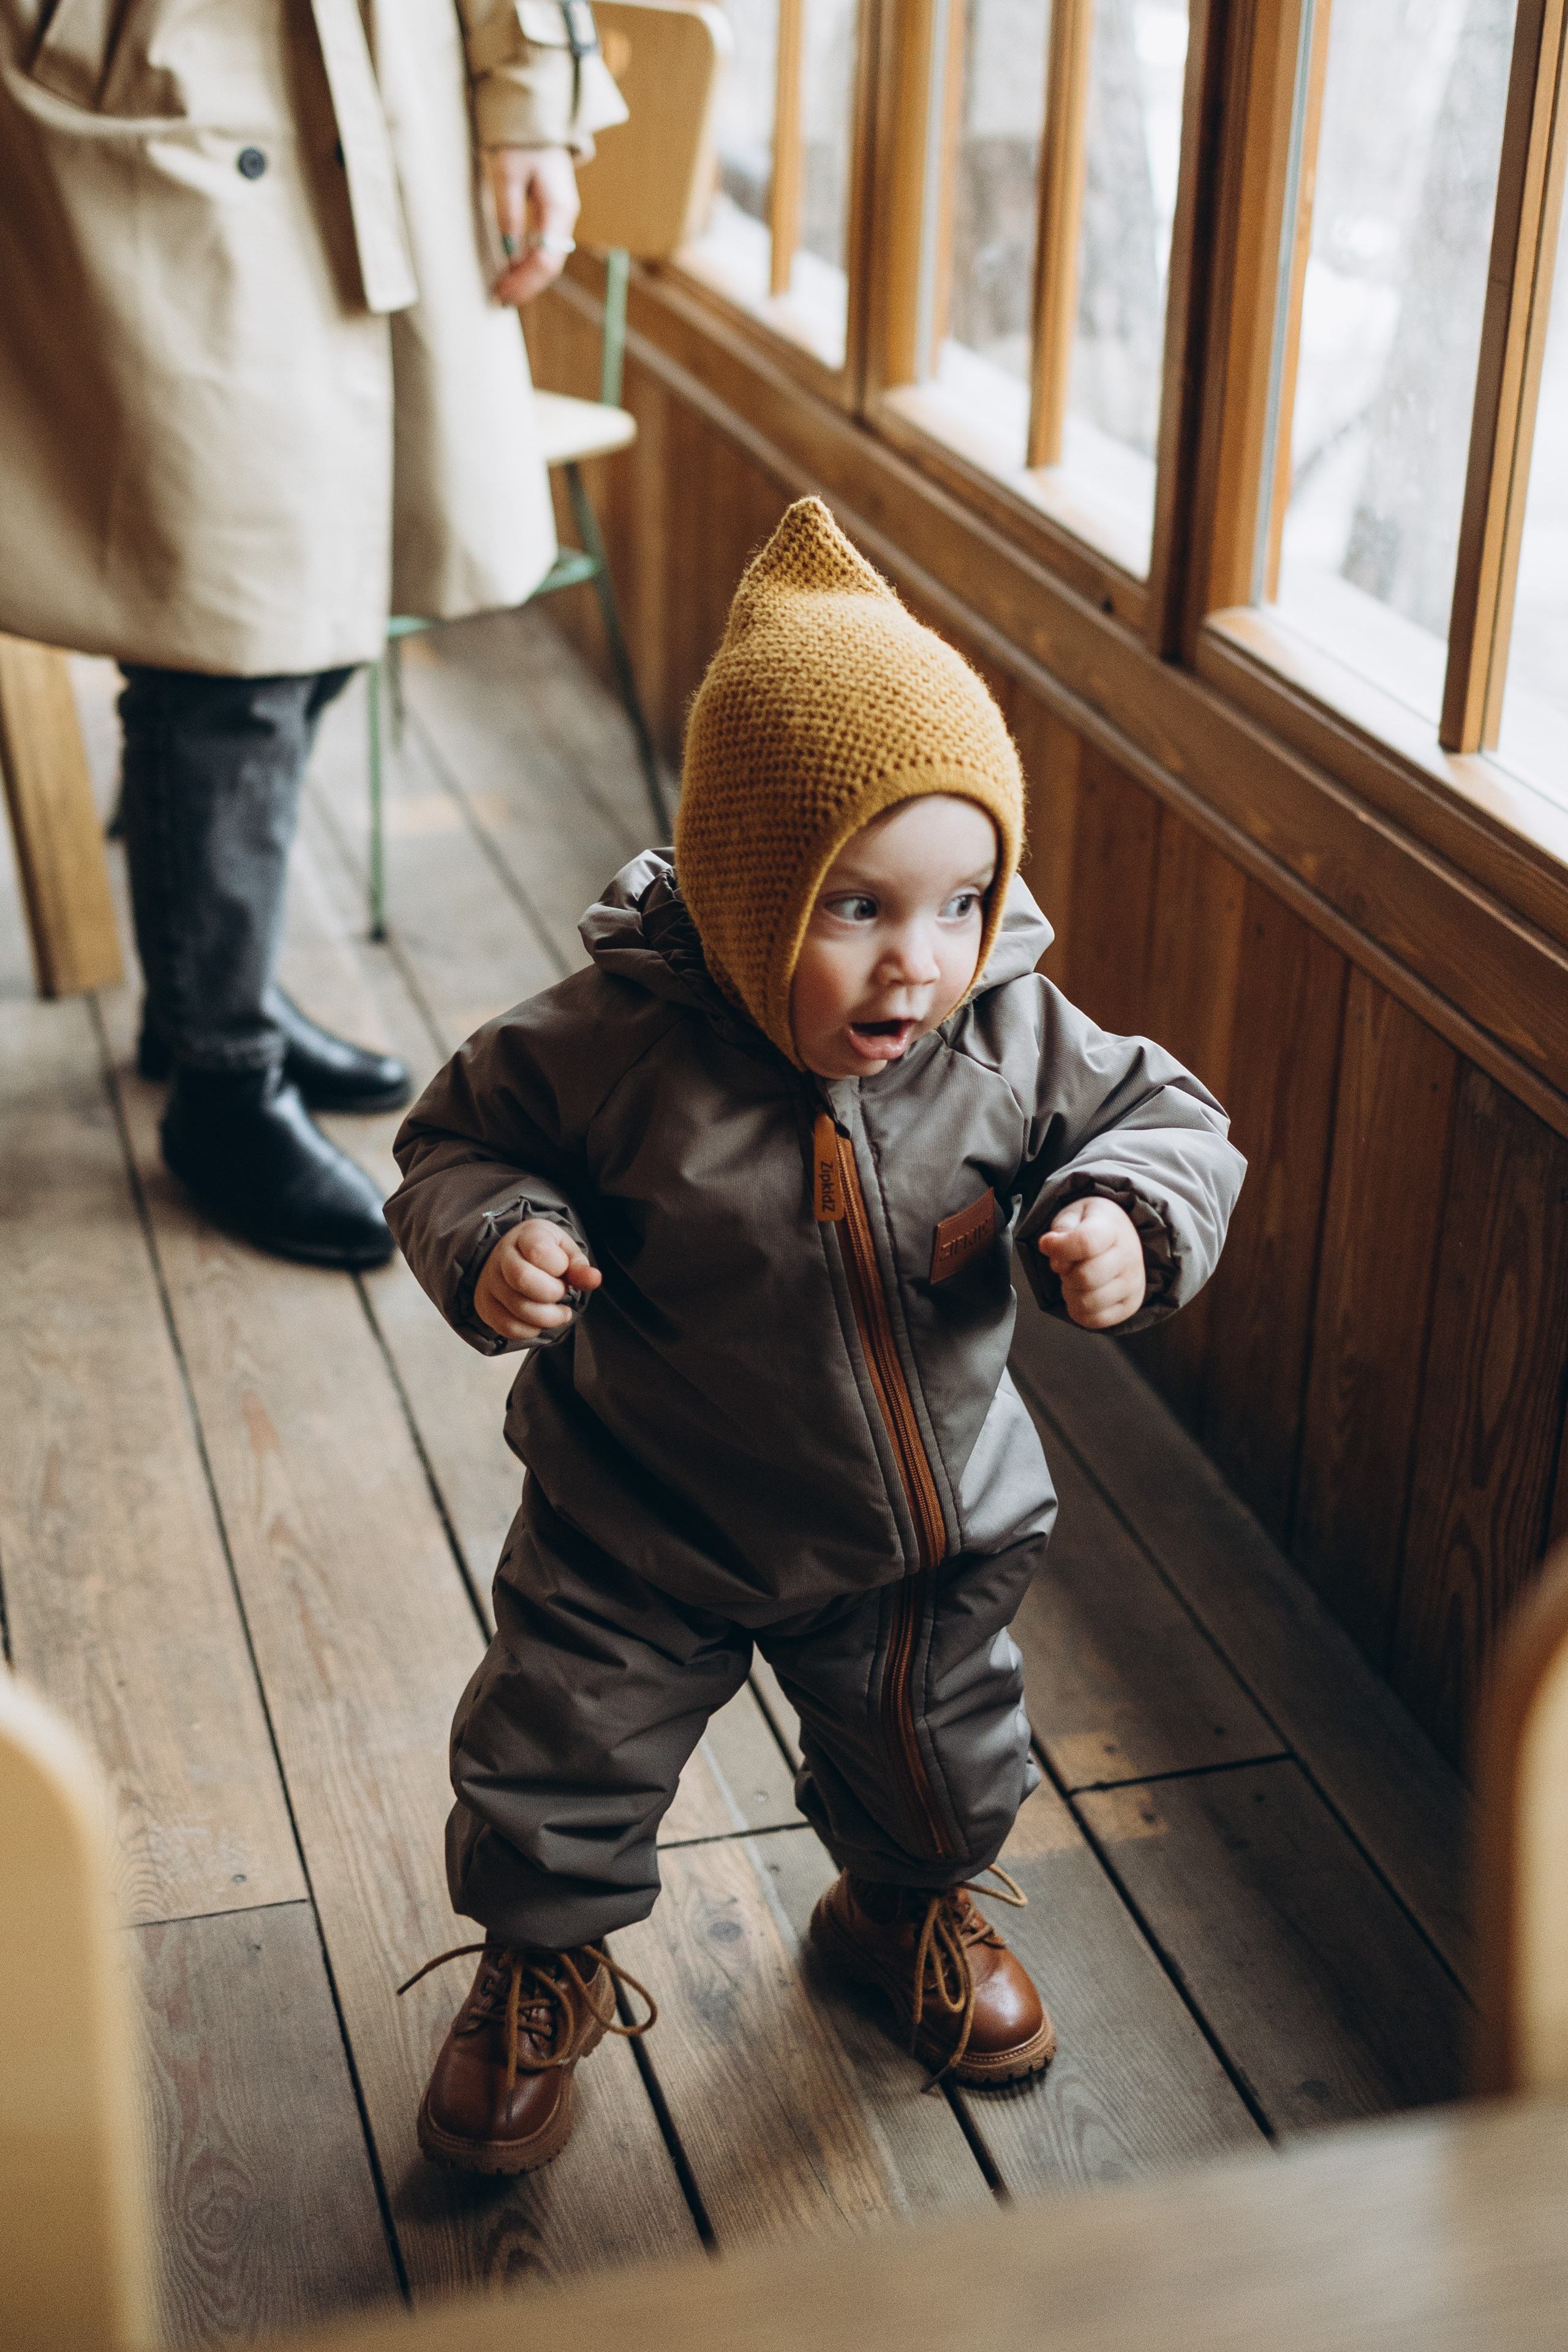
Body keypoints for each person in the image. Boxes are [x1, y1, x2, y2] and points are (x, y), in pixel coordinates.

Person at [386, 499, 1247, 2174]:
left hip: (919, 1538)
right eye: (854, 906)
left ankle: (899, 1914)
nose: (915, 963)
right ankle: (541, 1966)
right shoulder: (611, 1043)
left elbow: (1171, 1118)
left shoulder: (1004, 1026)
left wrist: (1132, 1214)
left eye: (960, 899)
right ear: (740, 881)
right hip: (642, 1519)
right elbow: (453, 1148)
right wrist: (497, 1240)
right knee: (558, 1750)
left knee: (940, 1756)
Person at [0, 0, 627, 1266]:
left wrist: (529, 102)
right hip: (150, 80)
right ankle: (223, 1082)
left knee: (339, 578)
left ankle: (200, 994)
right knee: (229, 625)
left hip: (391, 87)